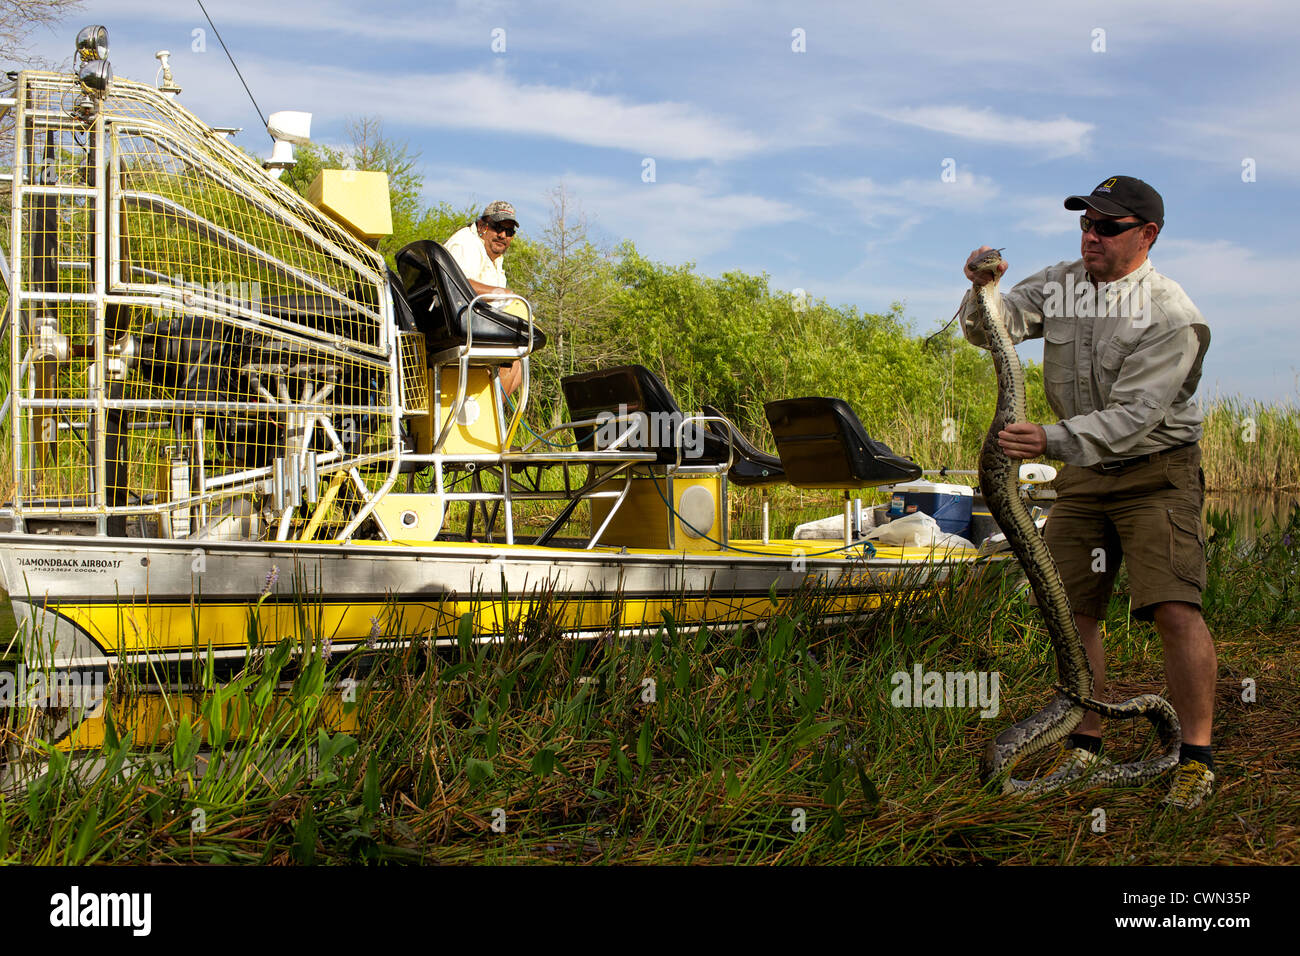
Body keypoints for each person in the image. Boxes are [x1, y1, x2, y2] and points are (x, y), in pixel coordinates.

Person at [960, 175, 1216, 809]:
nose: (1090, 237)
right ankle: (1088, 739)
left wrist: (1046, 439)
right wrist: (980, 288)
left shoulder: (1170, 313)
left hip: (1155, 470)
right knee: (1074, 609)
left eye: (1107, 227)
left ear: (1147, 235)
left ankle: (1195, 757)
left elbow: (1136, 417)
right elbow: (988, 329)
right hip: (1082, 475)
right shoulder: (1062, 282)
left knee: (1173, 608)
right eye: (1085, 224)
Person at [444, 200, 524, 395]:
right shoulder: (466, 243)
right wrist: (501, 293)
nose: (503, 235)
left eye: (509, 232)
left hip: (474, 324)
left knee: (519, 365)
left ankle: (490, 418)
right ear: (482, 226)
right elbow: (457, 283)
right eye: (497, 227)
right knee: (510, 354)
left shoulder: (494, 259)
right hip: (458, 325)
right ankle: (488, 418)